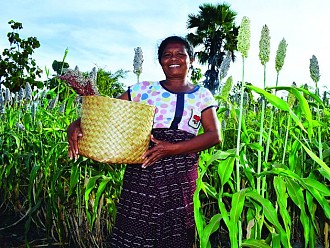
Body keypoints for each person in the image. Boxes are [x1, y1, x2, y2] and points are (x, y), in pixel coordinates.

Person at [67, 35, 221, 248]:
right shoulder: (143, 89)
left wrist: (172, 149)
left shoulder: (203, 95)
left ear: (191, 59)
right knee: (136, 225)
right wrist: (75, 124)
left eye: (180, 54)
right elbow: (106, 114)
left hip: (181, 173)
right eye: (167, 55)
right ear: (160, 61)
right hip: (144, 167)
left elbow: (214, 135)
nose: (173, 59)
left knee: (176, 228)